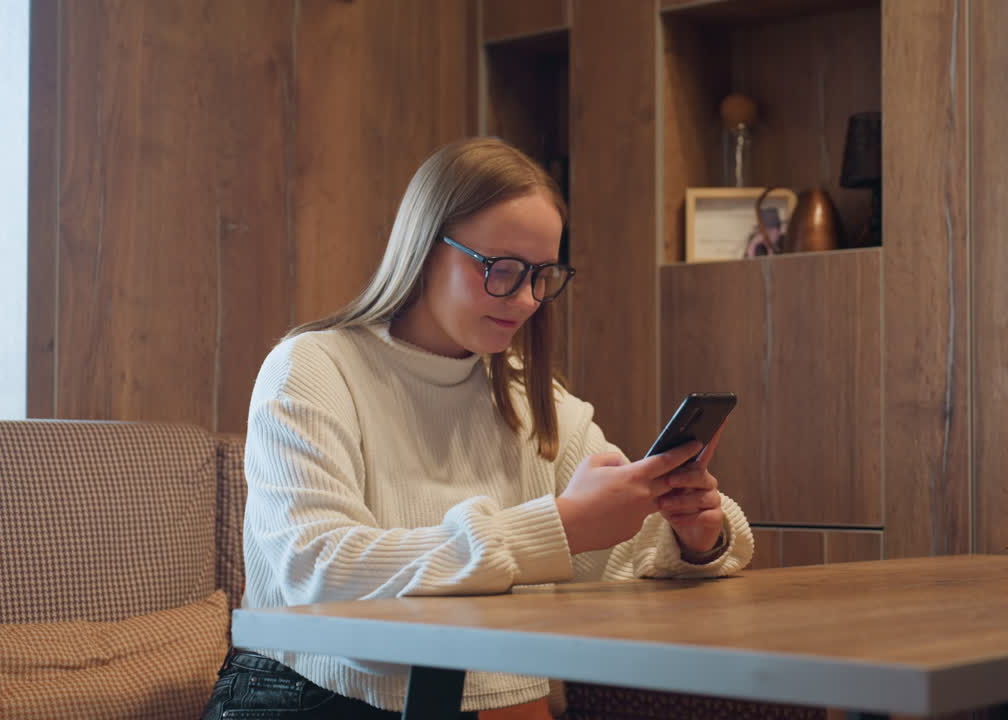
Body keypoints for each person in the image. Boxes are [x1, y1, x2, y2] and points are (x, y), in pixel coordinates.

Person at [203, 137, 754, 720]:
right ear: (423, 247)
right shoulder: (314, 367)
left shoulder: (529, 396)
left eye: (543, 275)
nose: (525, 300)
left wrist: (694, 535)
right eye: (502, 269)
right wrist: (558, 527)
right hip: (308, 695)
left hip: (477, 699)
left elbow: (620, 552)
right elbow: (317, 571)